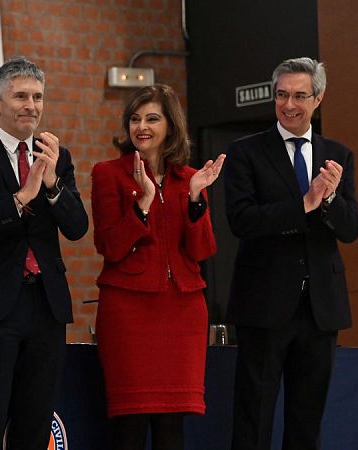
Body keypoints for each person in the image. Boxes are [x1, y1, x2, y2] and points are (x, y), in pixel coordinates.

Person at [0, 56, 89, 449]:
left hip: (46, 305)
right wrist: (21, 198)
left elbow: (77, 228)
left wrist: (53, 185)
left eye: (38, 97)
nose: (31, 105)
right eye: (21, 96)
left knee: (36, 420)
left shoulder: (56, 155)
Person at [225, 57, 358, 450]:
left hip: (321, 307)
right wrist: (304, 203)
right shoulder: (246, 151)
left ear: (318, 98)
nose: (289, 104)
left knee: (307, 422)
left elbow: (351, 229)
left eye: (300, 96)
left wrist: (329, 198)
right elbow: (241, 220)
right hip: (263, 303)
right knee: (253, 419)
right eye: (281, 95)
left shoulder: (338, 155)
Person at [90, 84, 223, 450]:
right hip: (129, 312)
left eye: (152, 119)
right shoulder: (108, 173)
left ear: (170, 126)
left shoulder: (191, 178)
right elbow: (110, 246)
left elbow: (202, 250)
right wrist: (143, 203)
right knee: (130, 424)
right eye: (135, 119)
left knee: (171, 425)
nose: (142, 127)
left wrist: (196, 199)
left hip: (182, 310)